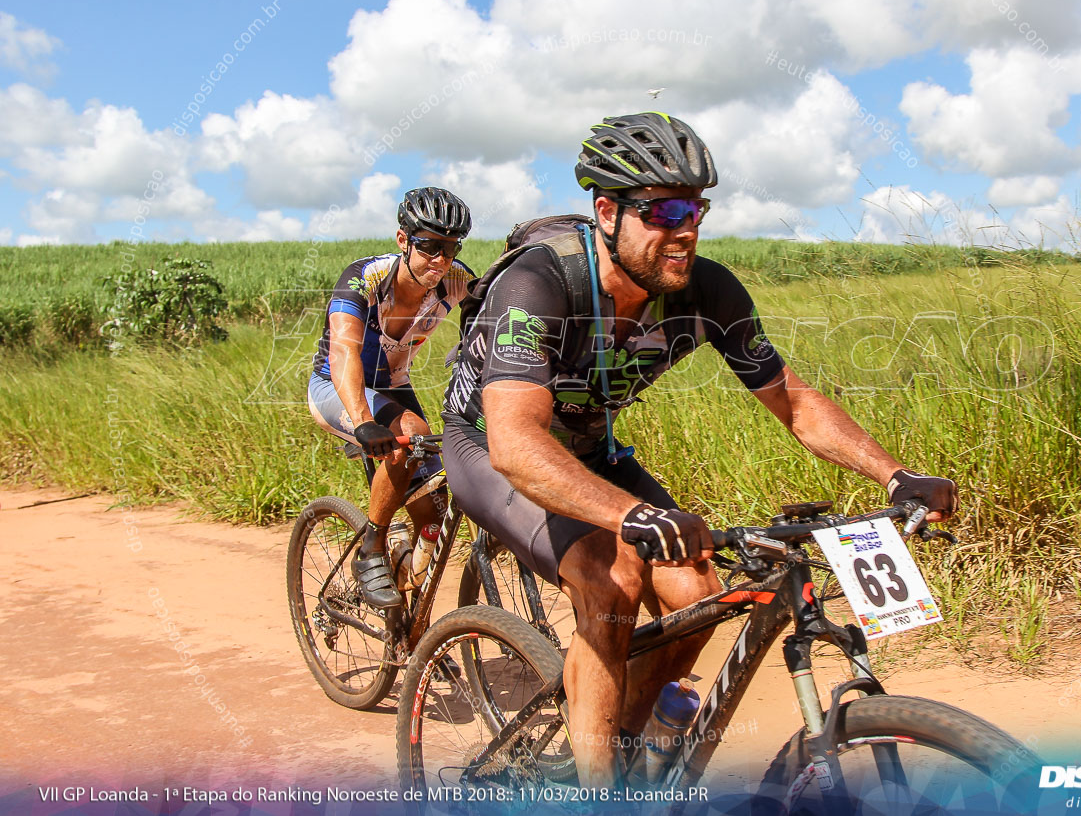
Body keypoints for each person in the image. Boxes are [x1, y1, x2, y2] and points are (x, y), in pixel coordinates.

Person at [440, 113, 957, 786]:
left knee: (698, 594)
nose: (686, 228)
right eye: (666, 210)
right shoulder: (541, 284)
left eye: (698, 209)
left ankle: (606, 746)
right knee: (609, 580)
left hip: (590, 446)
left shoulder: (707, 291)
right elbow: (515, 441)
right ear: (606, 210)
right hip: (489, 445)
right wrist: (630, 517)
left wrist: (895, 474)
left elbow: (793, 400)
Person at [308, 187, 474, 608]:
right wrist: (364, 421)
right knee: (413, 432)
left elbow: (500, 322)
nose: (440, 260)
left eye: (450, 248)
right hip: (337, 387)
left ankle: (409, 632)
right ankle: (371, 546)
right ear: (404, 241)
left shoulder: (456, 281)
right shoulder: (366, 278)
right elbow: (345, 349)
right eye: (429, 246)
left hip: (394, 386)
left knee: (433, 519)